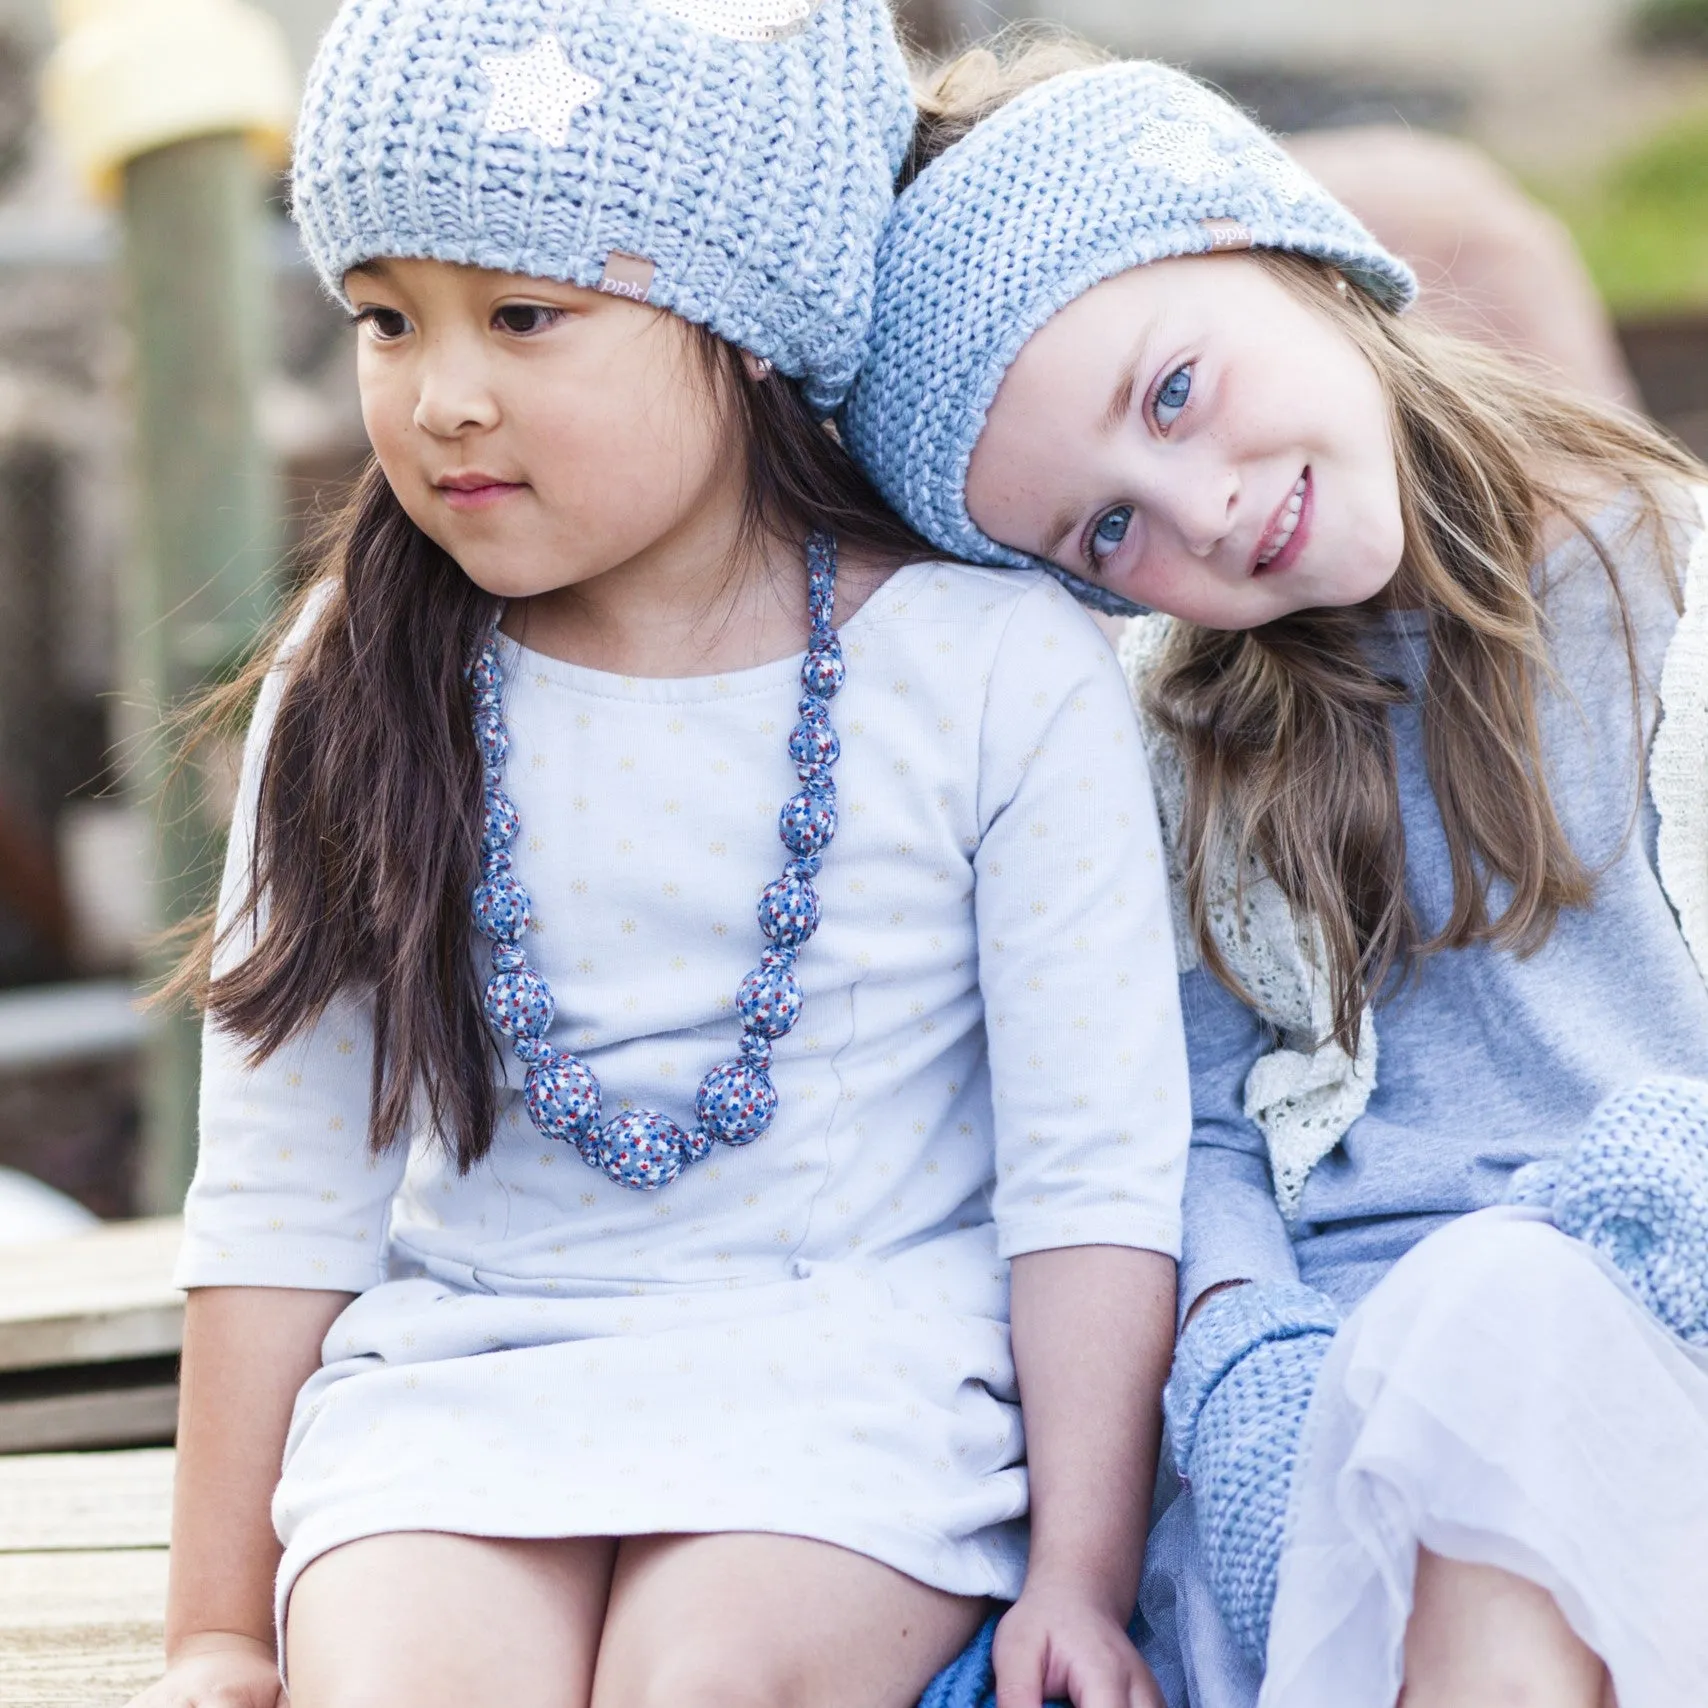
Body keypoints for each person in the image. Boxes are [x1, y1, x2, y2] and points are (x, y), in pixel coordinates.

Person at [137, 7, 1195, 1708]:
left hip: (847, 1380)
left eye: (528, 314)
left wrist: (1082, 1575)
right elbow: (279, 1189)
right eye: (385, 319)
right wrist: (213, 1632)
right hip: (466, 1378)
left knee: (697, 1679)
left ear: (751, 319)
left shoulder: (991, 672)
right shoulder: (361, 676)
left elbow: (1092, 1171)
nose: (444, 394)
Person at [845, 46, 1708, 1708]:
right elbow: (1190, 1123)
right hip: (1342, 1424)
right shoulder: (1174, 742)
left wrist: (1603, 1241)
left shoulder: (1675, 595)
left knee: (1521, 1328)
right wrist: (1242, 1355)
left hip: (1662, 1351)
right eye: (1106, 535)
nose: (1200, 515)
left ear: (1274, 232)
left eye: (1171, 394)